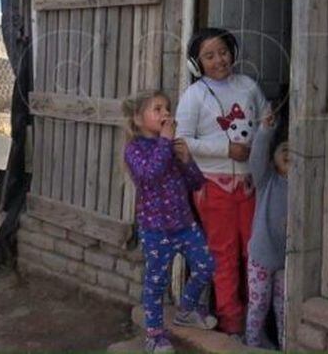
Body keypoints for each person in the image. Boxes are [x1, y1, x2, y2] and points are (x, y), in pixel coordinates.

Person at [175, 28, 268, 335]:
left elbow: (267, 121)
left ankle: (256, 324)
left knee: (254, 255)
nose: (219, 60)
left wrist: (266, 130)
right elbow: (181, 141)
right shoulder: (194, 95)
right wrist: (226, 149)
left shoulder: (248, 86)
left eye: (223, 52)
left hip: (249, 185)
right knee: (224, 255)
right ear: (196, 63)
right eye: (209, 55)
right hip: (214, 190)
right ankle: (232, 324)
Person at [123, 90, 217, 353]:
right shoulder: (135, 149)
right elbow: (149, 176)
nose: (166, 113)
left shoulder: (173, 146)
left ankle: (186, 310)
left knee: (207, 265)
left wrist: (187, 160)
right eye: (158, 109)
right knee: (156, 283)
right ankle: (154, 335)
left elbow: (196, 183)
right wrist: (165, 143)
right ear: (138, 119)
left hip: (185, 225)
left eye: (167, 108)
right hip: (156, 230)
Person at [244, 110, 288, 349]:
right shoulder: (266, 180)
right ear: (273, 159)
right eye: (284, 149)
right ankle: (251, 344)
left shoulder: (302, 186)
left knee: (284, 309)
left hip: (285, 262)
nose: (289, 152)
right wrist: (265, 132)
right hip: (261, 258)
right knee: (258, 306)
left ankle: (284, 345)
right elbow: (256, 159)